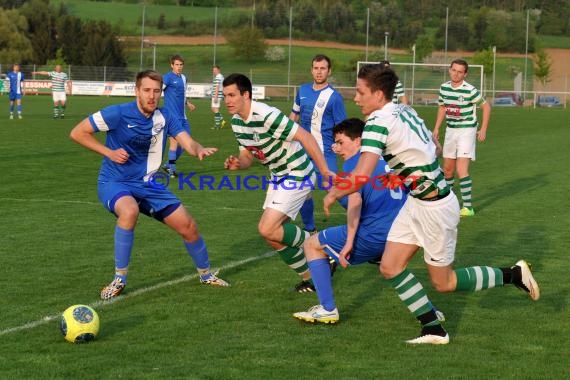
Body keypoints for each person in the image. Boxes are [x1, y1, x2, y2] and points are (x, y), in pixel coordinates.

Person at [323, 65, 539, 345]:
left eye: (361, 91)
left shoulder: (378, 122)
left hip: (435, 208)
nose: (356, 97)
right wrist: (401, 173)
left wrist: (332, 193)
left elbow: (362, 175)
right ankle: (434, 330)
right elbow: (433, 148)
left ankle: (513, 274)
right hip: (416, 204)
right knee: (389, 266)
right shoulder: (405, 110)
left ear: (378, 94)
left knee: (444, 283)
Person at [69, 70, 229, 300]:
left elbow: (187, 141)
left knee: (188, 226)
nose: (152, 96)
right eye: (147, 90)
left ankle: (206, 275)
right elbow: (77, 132)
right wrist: (109, 152)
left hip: (148, 185)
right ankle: (119, 279)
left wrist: (198, 150)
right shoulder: (117, 113)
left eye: (156, 91)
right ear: (137, 91)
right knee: (129, 210)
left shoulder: (166, 116)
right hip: (115, 182)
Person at [222, 73, 334, 293]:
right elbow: (248, 155)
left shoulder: (266, 114)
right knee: (272, 235)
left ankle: (323, 247)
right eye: (225, 95)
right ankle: (311, 277)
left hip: (297, 172)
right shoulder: (237, 122)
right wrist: (239, 164)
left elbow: (305, 137)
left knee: (267, 227)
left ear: (246, 95)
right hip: (278, 176)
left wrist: (324, 171)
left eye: (232, 94)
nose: (227, 100)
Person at [293, 118, 407, 323]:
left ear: (359, 141)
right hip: (403, 232)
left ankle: (327, 308)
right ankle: (430, 312)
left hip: (376, 233)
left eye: (341, 142)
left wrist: (349, 242)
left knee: (312, 245)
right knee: (393, 268)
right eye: (335, 143)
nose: (336, 148)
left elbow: (355, 200)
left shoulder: (356, 164)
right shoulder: (389, 159)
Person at [289, 54, 347, 233]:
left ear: (329, 71)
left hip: (324, 153)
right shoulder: (303, 90)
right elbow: (294, 117)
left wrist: (340, 144)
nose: (319, 71)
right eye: (316, 68)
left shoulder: (334, 97)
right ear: (311, 70)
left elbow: (341, 126)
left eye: (323, 68)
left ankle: (365, 216)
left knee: (334, 189)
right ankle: (310, 228)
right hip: (302, 152)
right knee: (303, 190)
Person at [432, 59, 491, 217]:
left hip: (467, 130)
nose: (456, 74)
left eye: (460, 71)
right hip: (451, 130)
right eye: (454, 70)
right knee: (448, 170)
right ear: (450, 70)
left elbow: (486, 106)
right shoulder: (444, 88)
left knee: (461, 169)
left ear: (465, 74)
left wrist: (483, 129)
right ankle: (448, 204)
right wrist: (437, 127)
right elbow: (442, 107)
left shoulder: (470, 90)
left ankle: (468, 207)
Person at [160, 54, 196, 178]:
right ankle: (172, 170)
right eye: (177, 65)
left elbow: (182, 94)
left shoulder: (184, 78)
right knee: (174, 143)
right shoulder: (167, 78)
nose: (179, 67)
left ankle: (167, 165)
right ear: (172, 65)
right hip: (171, 117)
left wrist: (188, 103)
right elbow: (158, 91)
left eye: (181, 65)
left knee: (188, 144)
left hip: (183, 116)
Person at [211, 65, 225, 130]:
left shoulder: (218, 77)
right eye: (213, 70)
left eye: (215, 70)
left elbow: (217, 87)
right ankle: (222, 120)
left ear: (219, 70)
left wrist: (216, 96)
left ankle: (217, 125)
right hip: (218, 95)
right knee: (213, 109)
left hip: (217, 95)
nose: (214, 71)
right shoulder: (221, 77)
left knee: (215, 109)